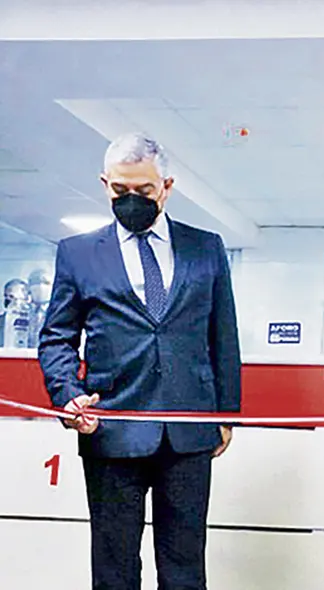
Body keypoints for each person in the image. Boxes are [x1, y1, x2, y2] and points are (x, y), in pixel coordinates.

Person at [38, 132, 241, 590]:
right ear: (105, 183)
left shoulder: (206, 247)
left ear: (166, 187)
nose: (132, 200)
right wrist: (69, 398)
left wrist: (228, 415)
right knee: (113, 567)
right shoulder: (77, 253)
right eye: (120, 191)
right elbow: (56, 339)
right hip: (111, 428)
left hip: (188, 430)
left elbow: (222, 336)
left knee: (185, 564)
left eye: (144, 192)